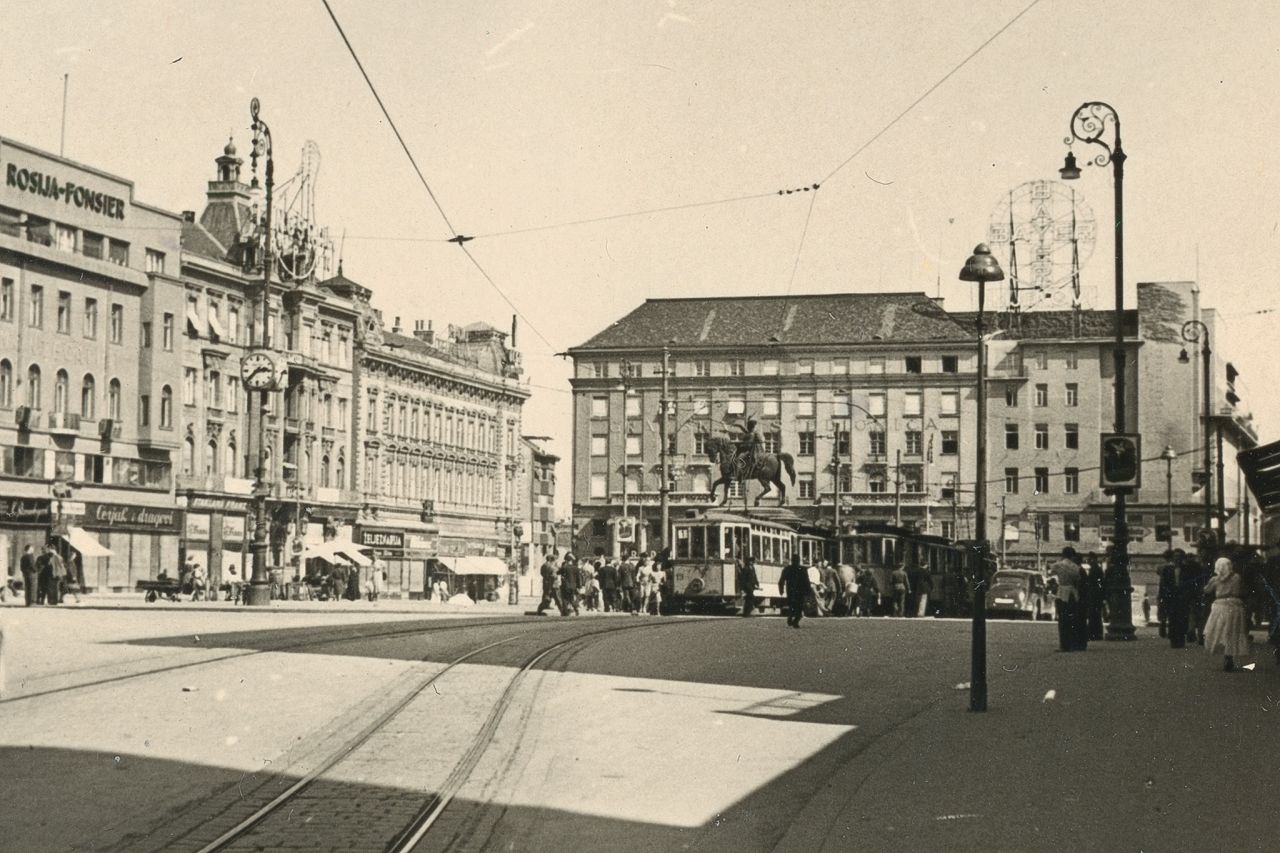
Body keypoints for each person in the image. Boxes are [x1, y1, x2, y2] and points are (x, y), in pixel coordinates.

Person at [1203, 556, 1250, 672]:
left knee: (1221, 631)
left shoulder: (1215, 579)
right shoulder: (1237, 577)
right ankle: (1229, 656)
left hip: (1220, 606)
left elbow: (1206, 590)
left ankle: (1225, 654)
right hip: (1235, 605)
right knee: (1232, 631)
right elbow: (1243, 591)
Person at [1050, 547, 1085, 652]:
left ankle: (1064, 645)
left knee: (1062, 620)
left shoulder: (1058, 565)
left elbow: (1052, 573)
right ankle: (1072, 644)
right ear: (1072, 556)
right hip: (1072, 594)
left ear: (1063, 554)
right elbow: (1078, 580)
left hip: (1062, 593)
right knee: (1072, 620)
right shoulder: (1076, 567)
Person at [779, 554, 808, 628]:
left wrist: (781, 589)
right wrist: (808, 591)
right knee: (799, 607)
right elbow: (806, 581)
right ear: (799, 561)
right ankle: (795, 621)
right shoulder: (803, 569)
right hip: (800, 591)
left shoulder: (787, 569)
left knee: (792, 605)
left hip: (790, 590)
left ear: (791, 560)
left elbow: (781, 580)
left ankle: (790, 618)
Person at [732, 414, 763, 479]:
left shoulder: (753, 434)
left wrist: (740, 444)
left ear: (751, 427)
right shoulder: (749, 432)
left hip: (749, 451)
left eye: (749, 426)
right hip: (744, 449)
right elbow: (744, 429)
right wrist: (738, 425)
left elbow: (749, 445)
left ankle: (738, 475)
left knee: (738, 458)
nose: (748, 428)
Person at [1085, 554, 1105, 640]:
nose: (1088, 561)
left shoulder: (1095, 569)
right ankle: (1096, 634)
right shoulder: (1097, 569)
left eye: (1089, 559)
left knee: (1094, 615)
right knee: (1096, 615)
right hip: (1096, 595)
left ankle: (1094, 634)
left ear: (1093, 559)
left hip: (1094, 595)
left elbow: (1093, 582)